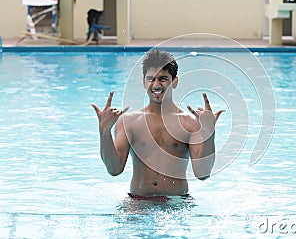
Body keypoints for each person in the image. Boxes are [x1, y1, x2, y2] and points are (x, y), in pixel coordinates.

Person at [91, 49, 224, 201]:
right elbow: (114, 169)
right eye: (150, 79)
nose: (156, 85)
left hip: (177, 202)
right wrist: (104, 131)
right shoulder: (128, 121)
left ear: (174, 81)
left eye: (163, 79)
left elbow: (203, 174)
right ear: (143, 82)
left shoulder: (190, 123)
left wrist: (209, 132)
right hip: (138, 201)